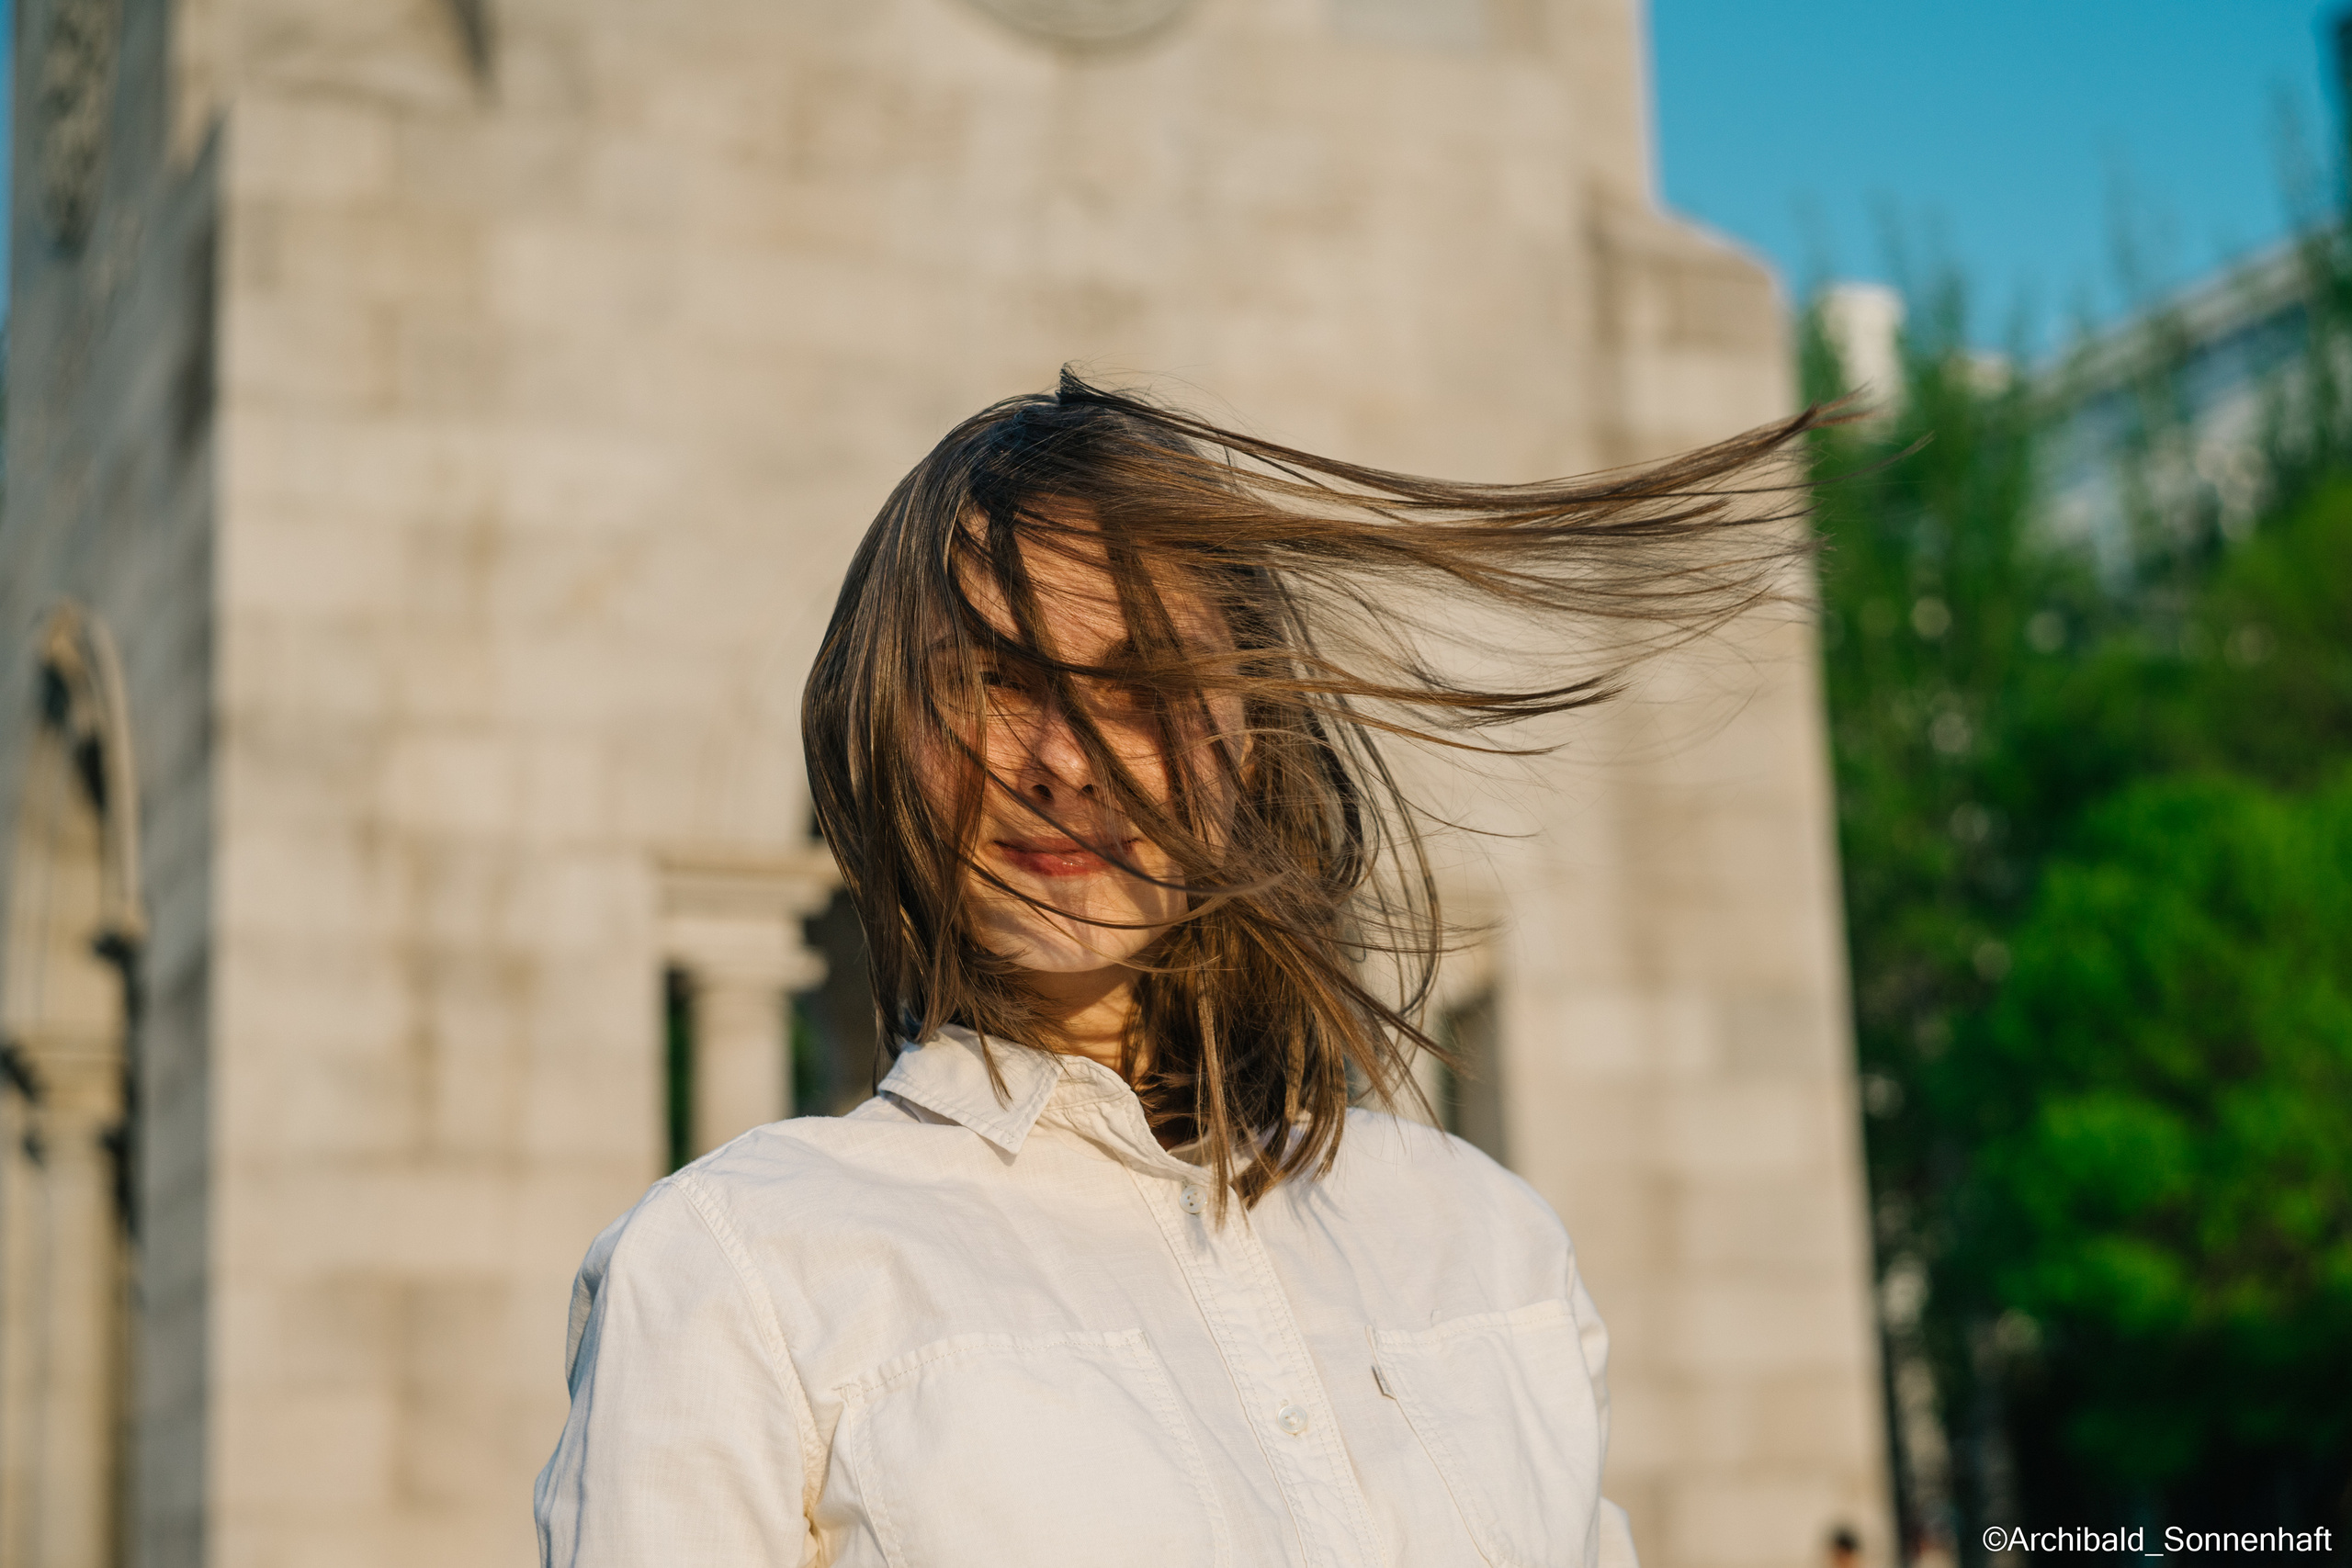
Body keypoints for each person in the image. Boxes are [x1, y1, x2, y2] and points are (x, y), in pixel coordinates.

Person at [534, 373, 1822, 1567]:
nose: (1064, 759)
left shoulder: (1487, 1246)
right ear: (886, 730)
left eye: (1142, 684)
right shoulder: (736, 1269)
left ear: (1246, 742)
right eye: (991, 682)